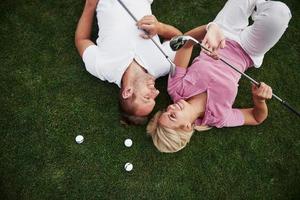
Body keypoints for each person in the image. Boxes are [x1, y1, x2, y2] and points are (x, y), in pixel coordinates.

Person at [147, 0, 292, 153]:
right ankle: (262, 9)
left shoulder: (176, 89)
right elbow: (257, 118)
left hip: (223, 30)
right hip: (248, 51)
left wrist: (209, 29)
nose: (170, 108)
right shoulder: (219, 117)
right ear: (187, 126)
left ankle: (259, 8)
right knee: (279, 13)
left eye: (165, 111)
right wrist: (259, 100)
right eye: (172, 116)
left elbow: (185, 45)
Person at [75, 0, 182, 124]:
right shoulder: (162, 65)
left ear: (128, 92)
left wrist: (90, 5)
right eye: (155, 98)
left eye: (147, 97)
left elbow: (81, 40)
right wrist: (160, 28)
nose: (156, 92)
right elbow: (180, 39)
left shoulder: (103, 68)